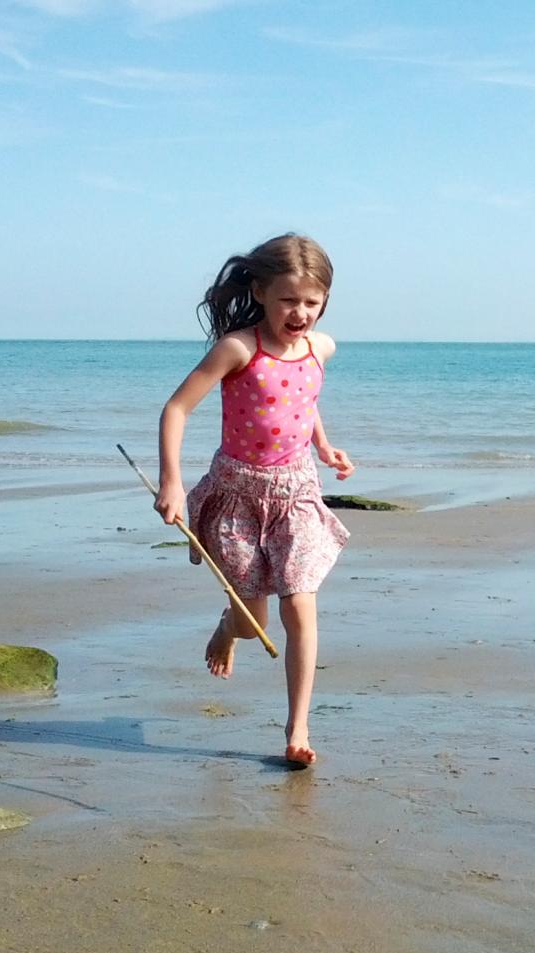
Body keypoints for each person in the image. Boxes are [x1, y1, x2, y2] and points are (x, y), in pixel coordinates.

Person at [155, 233, 355, 767]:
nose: (301, 313)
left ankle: (298, 728)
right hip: (240, 494)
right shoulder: (238, 349)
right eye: (289, 300)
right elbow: (175, 410)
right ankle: (229, 627)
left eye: (312, 302)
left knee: (301, 603)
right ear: (261, 291)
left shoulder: (321, 348)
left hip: (296, 493)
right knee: (253, 622)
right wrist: (172, 481)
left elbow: (302, 399)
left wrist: (324, 445)